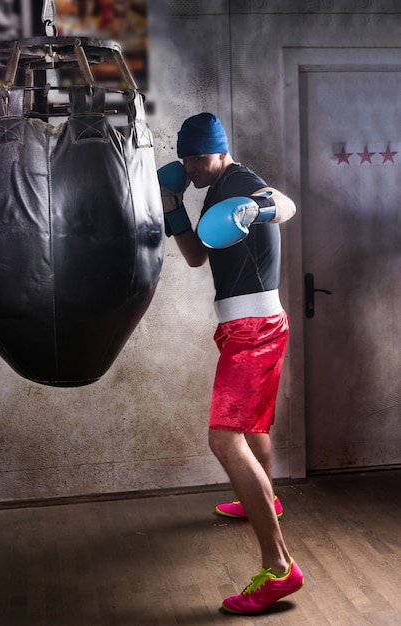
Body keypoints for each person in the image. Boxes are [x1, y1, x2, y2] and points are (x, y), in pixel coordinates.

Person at [158, 112, 304, 614]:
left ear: (222, 151)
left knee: (224, 438)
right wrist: (173, 205)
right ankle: (262, 501)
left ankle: (280, 569)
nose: (192, 168)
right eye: (186, 159)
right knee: (252, 428)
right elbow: (199, 256)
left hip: (255, 330)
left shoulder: (242, 181)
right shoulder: (209, 188)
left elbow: (285, 205)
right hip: (245, 326)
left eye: (200, 158)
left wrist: (259, 210)